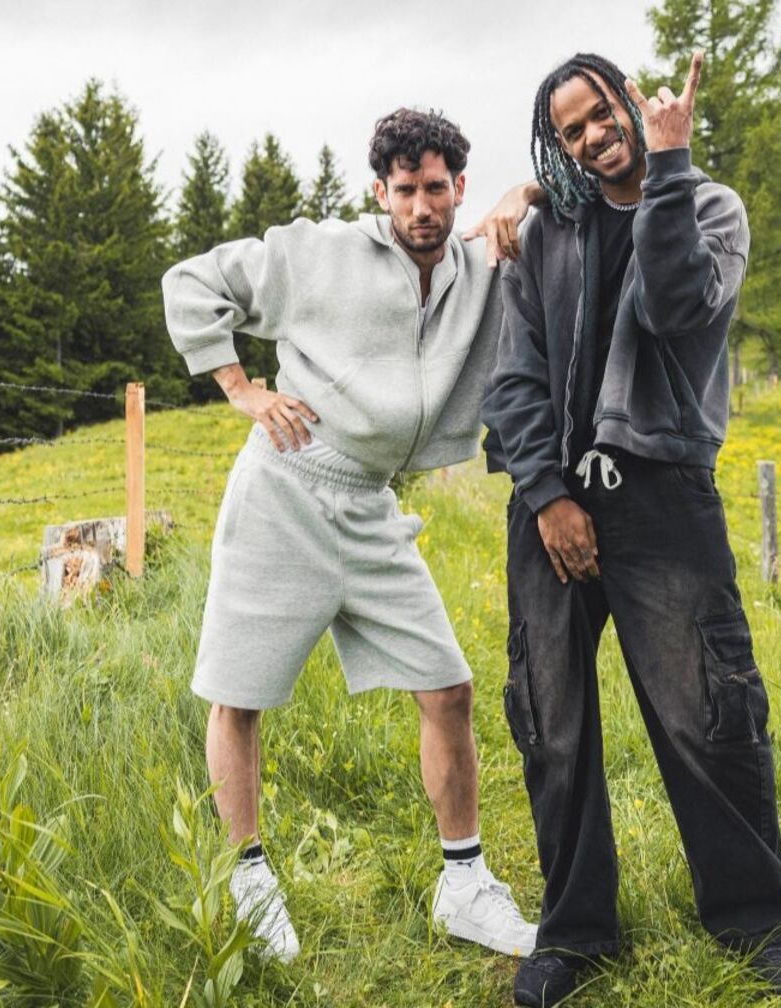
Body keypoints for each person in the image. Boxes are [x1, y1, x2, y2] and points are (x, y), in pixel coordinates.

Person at [161, 107, 537, 963]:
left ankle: (466, 886)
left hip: (370, 506)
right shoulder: (316, 252)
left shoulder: (479, 264)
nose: (420, 207)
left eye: (436, 188)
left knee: (448, 689)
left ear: (459, 189)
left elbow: (565, 194)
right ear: (381, 191)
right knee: (239, 693)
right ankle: (248, 879)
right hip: (284, 488)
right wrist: (242, 389)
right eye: (404, 190)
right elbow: (190, 283)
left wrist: (529, 187)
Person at [481, 52, 781, 1005]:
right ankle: (575, 933)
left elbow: (675, 307)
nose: (593, 133)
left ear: (633, 103)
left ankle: (757, 921)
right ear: (561, 140)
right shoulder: (548, 232)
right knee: (552, 723)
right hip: (551, 506)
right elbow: (515, 377)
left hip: (663, 498)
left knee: (708, 711)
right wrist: (546, 495)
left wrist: (670, 165)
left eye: (603, 111)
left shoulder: (710, 210)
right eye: (572, 126)